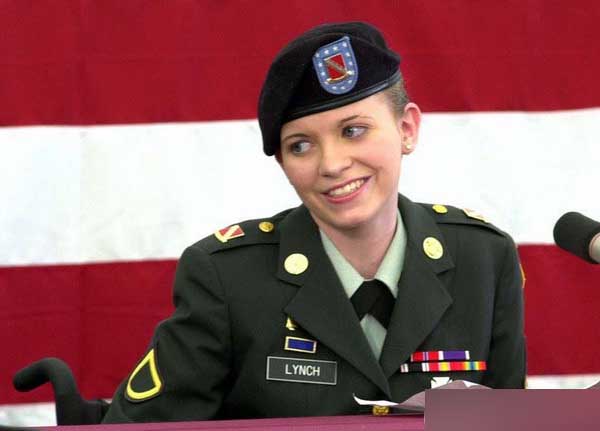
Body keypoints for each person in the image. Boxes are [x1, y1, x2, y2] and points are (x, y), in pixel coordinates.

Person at [102, 21, 525, 423]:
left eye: (353, 131)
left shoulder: (484, 259)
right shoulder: (227, 279)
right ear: (282, 163)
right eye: (300, 146)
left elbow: (511, 423)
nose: (332, 164)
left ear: (407, 129)